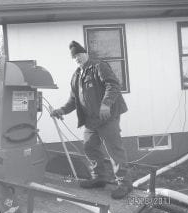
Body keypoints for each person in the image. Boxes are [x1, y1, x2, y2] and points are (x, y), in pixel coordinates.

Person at [51, 40, 132, 199]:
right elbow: (73, 101)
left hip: (107, 116)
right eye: (75, 57)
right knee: (89, 146)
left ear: (86, 54)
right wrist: (61, 110)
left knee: (114, 149)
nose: (78, 59)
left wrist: (106, 104)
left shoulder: (99, 66)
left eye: (80, 55)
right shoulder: (76, 76)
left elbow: (113, 85)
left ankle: (124, 183)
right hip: (91, 120)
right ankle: (99, 178)